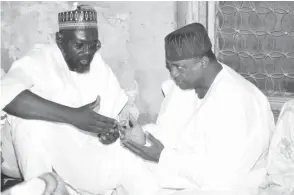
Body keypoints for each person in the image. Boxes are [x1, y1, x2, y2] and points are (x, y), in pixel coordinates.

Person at [1, 4, 154, 195]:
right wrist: (73, 116)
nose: (87, 53)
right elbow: (6, 97)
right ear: (60, 40)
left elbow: (107, 124)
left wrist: (107, 134)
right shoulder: (39, 59)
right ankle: (41, 188)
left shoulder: (98, 66)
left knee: (130, 150)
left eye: (93, 46)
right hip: (18, 156)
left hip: (67, 156)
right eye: (79, 45)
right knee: (29, 118)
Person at [121, 23, 276, 195]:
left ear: (203, 62)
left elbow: (225, 175)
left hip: (224, 187)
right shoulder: (184, 86)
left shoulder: (240, 100)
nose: (174, 74)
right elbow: (170, 133)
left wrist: (164, 158)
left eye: (180, 67)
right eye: (170, 66)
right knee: (120, 160)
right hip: (182, 174)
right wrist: (144, 138)